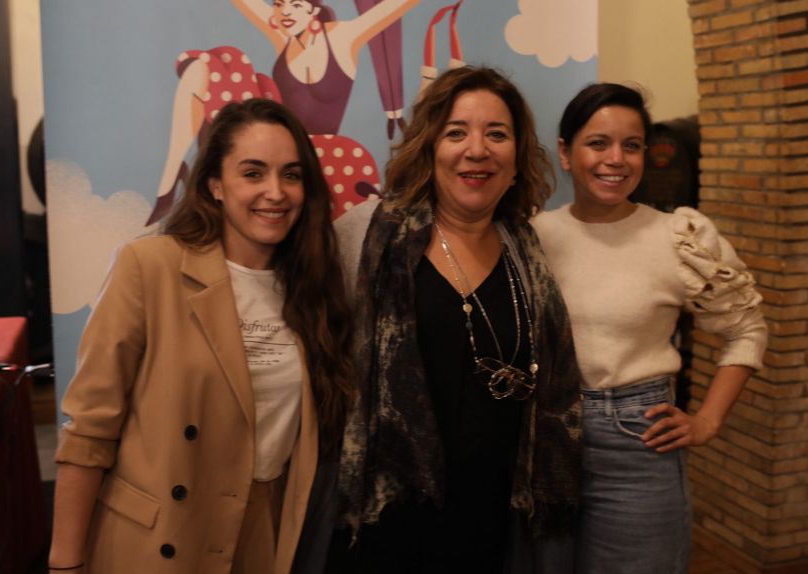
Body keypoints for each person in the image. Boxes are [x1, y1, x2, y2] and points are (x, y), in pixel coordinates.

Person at [47, 99, 354, 574]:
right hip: (161, 539)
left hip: (263, 532)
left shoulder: (315, 289)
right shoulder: (150, 267)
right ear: (214, 184)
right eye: (253, 173)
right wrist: (64, 563)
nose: (275, 192)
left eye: (291, 175)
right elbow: (89, 430)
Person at [333, 66, 584, 573]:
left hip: (492, 516)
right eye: (456, 133)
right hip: (388, 514)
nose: (477, 150)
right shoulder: (367, 237)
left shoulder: (529, 251)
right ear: (428, 147)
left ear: (517, 156)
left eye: (497, 134)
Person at [533, 83, 768, 574]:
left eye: (632, 145)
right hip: (542, 442)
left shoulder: (678, 236)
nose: (616, 159)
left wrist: (707, 421)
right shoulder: (534, 235)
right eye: (598, 143)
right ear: (566, 153)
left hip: (637, 443)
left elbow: (747, 328)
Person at [146, 0, 420, 224]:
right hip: (274, 148)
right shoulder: (282, 34)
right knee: (203, 69)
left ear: (313, 10)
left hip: (317, 155)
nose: (285, 11)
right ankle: (170, 181)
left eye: (296, 5)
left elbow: (394, 6)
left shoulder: (343, 37)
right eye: (278, 4)